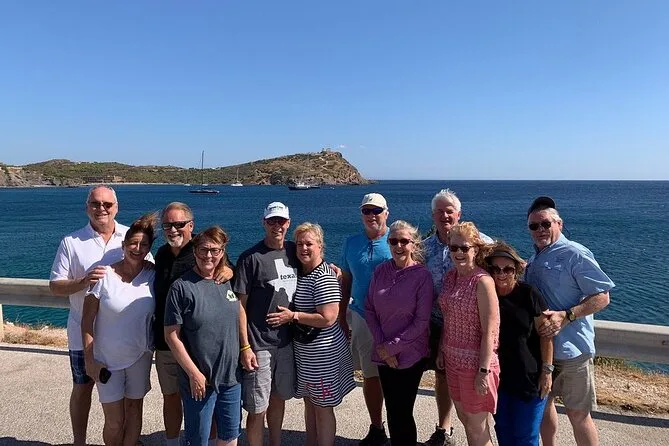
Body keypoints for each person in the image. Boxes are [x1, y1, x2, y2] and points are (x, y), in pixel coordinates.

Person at [50, 185, 152, 446]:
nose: (101, 209)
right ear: (87, 207)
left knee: (128, 400)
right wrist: (84, 281)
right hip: (83, 334)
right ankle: (79, 442)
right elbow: (55, 286)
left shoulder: (130, 237)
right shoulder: (72, 242)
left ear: (116, 207)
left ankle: (128, 440)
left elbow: (150, 271)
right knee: (82, 388)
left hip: (125, 339)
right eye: (95, 203)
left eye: (107, 204)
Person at [524, 197, 614, 446]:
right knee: (544, 407)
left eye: (546, 223)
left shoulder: (575, 253)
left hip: (573, 350)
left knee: (578, 414)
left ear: (559, 224)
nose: (540, 229)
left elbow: (602, 296)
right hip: (543, 351)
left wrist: (568, 315)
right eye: (534, 226)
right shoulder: (534, 259)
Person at [266, 222, 355, 446]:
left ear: (320, 246)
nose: (304, 248)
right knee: (310, 402)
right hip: (307, 354)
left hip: (324, 354)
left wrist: (293, 316)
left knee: (323, 407)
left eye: (309, 244)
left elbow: (329, 317)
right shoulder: (303, 272)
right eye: (299, 244)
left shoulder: (324, 277)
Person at [153, 202, 233, 445]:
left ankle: (207, 440)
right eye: (167, 225)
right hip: (168, 341)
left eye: (179, 224)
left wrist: (230, 270)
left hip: (199, 347)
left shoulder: (203, 250)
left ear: (191, 225)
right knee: (171, 396)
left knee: (206, 399)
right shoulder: (161, 254)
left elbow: (226, 271)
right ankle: (172, 442)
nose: (173, 230)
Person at [423, 189, 493, 446]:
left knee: (476, 387)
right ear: (433, 215)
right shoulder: (424, 248)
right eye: (439, 211)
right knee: (443, 376)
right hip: (438, 323)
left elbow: (507, 269)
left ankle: (481, 432)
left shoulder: (482, 243)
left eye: (449, 211)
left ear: (459, 214)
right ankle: (444, 428)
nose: (445, 216)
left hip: (474, 325)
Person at [81, 213, 157, 446]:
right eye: (133, 243)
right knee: (114, 421)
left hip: (140, 355)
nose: (137, 248)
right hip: (107, 360)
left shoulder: (153, 275)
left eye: (143, 245)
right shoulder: (104, 275)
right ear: (124, 245)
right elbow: (87, 320)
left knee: (134, 412)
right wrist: (89, 360)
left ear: (149, 249)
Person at [164, 226, 244, 446]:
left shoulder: (227, 280)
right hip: (200, 378)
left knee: (230, 436)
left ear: (222, 252)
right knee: (198, 438)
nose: (209, 255)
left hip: (231, 376)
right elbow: (171, 335)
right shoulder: (181, 287)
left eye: (214, 250)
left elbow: (240, 311)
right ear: (195, 251)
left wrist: (246, 348)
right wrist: (194, 374)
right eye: (203, 250)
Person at [234, 202, 299, 446]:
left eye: (281, 221)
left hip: (286, 343)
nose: (277, 226)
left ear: (288, 223)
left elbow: (314, 260)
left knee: (279, 399)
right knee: (257, 407)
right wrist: (245, 347)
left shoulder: (294, 251)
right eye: (272, 221)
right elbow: (240, 305)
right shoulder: (250, 258)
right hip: (259, 345)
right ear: (264, 223)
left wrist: (335, 269)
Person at [365, 220, 432, 446]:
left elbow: (421, 321)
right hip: (384, 353)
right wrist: (382, 347)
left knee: (403, 410)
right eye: (393, 241)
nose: (399, 246)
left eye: (404, 241)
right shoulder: (380, 271)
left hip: (411, 353)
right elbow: (369, 309)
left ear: (413, 244)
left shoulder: (422, 276)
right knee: (392, 410)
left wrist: (391, 347)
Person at [437, 222, 499, 446]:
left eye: (464, 247)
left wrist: (483, 371)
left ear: (476, 249)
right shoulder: (450, 278)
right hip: (452, 361)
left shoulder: (483, 282)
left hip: (475, 365)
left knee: (477, 428)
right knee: (465, 420)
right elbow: (448, 318)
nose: (459, 253)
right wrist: (441, 350)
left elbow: (490, 331)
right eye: (454, 248)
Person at [485, 241, 553, 446]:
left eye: (507, 269)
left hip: (529, 378)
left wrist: (547, 371)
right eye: (496, 269)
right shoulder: (486, 295)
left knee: (526, 437)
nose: (501, 274)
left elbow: (546, 334)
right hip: (499, 378)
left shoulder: (529, 294)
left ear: (516, 270)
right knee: (503, 432)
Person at [338, 193, 392, 445]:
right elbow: (346, 281)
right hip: (361, 316)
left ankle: (399, 428)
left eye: (376, 210)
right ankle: (377, 427)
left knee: (395, 376)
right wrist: (341, 317)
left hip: (393, 321)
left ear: (386, 213)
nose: (372, 215)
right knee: (371, 375)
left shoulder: (398, 240)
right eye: (366, 211)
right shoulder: (351, 243)